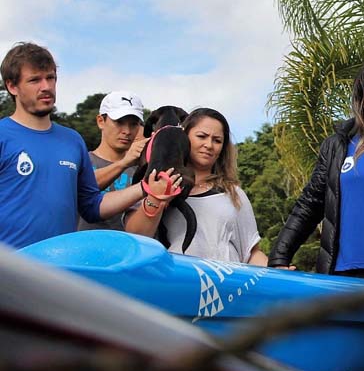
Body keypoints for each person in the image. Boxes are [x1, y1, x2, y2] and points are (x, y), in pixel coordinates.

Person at [0, 42, 178, 248]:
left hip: (58, 270)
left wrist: (145, 187)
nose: (46, 87)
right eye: (34, 80)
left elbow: (92, 205)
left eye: (50, 78)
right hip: (9, 270)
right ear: (12, 86)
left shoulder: (72, 140)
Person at [269, 61, 364, 278]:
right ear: (362, 101)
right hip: (345, 274)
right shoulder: (339, 145)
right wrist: (280, 256)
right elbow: (310, 204)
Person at [125, 107, 266, 265]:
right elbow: (136, 237)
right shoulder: (155, 181)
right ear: (183, 137)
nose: (209, 145)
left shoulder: (233, 194)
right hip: (177, 283)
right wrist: (156, 198)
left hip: (227, 285)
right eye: (201, 136)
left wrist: (279, 272)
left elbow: (252, 252)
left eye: (217, 140)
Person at [78, 90, 148, 231]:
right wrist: (123, 163)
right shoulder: (81, 161)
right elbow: (79, 187)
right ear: (100, 121)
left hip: (129, 250)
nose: (127, 131)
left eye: (133, 124)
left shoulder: (143, 169)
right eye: (119, 122)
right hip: (85, 248)